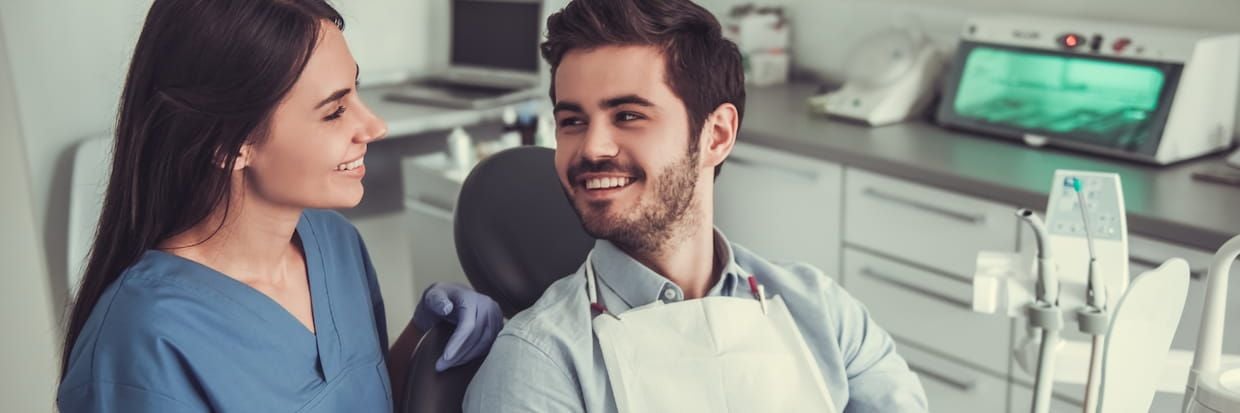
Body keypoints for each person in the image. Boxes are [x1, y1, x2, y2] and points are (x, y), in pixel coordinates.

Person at [463, 0, 929, 411]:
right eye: (572, 120)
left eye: (628, 115)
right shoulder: (539, 361)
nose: (593, 147)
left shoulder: (820, 313)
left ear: (717, 135)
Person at [56, 1, 502, 411]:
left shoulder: (336, 244)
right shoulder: (141, 344)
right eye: (334, 111)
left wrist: (421, 337)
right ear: (229, 144)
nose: (374, 125)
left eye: (356, 93)